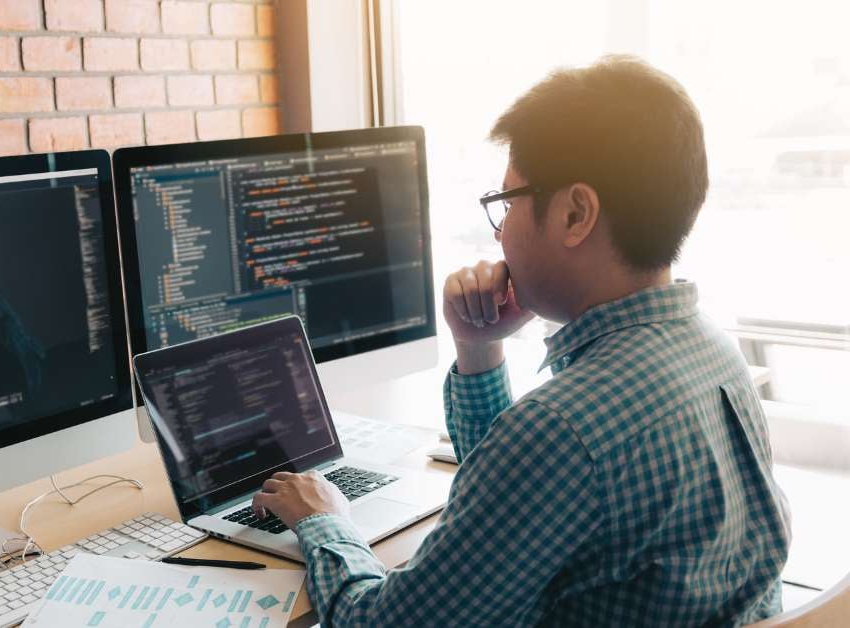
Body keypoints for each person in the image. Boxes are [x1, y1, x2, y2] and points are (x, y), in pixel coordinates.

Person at [251, 55, 792, 626]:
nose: (501, 230)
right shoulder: (713, 350)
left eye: (507, 203)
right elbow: (523, 498)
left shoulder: (563, 428)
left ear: (576, 212)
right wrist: (479, 350)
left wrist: (323, 519)